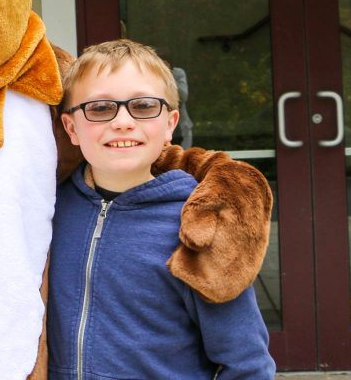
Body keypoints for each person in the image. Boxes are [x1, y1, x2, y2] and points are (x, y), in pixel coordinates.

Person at [47, 39, 274, 380]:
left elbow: (246, 362)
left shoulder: (199, 225)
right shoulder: (48, 210)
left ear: (170, 123)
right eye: (99, 108)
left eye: (142, 106)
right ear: (70, 127)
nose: (123, 122)